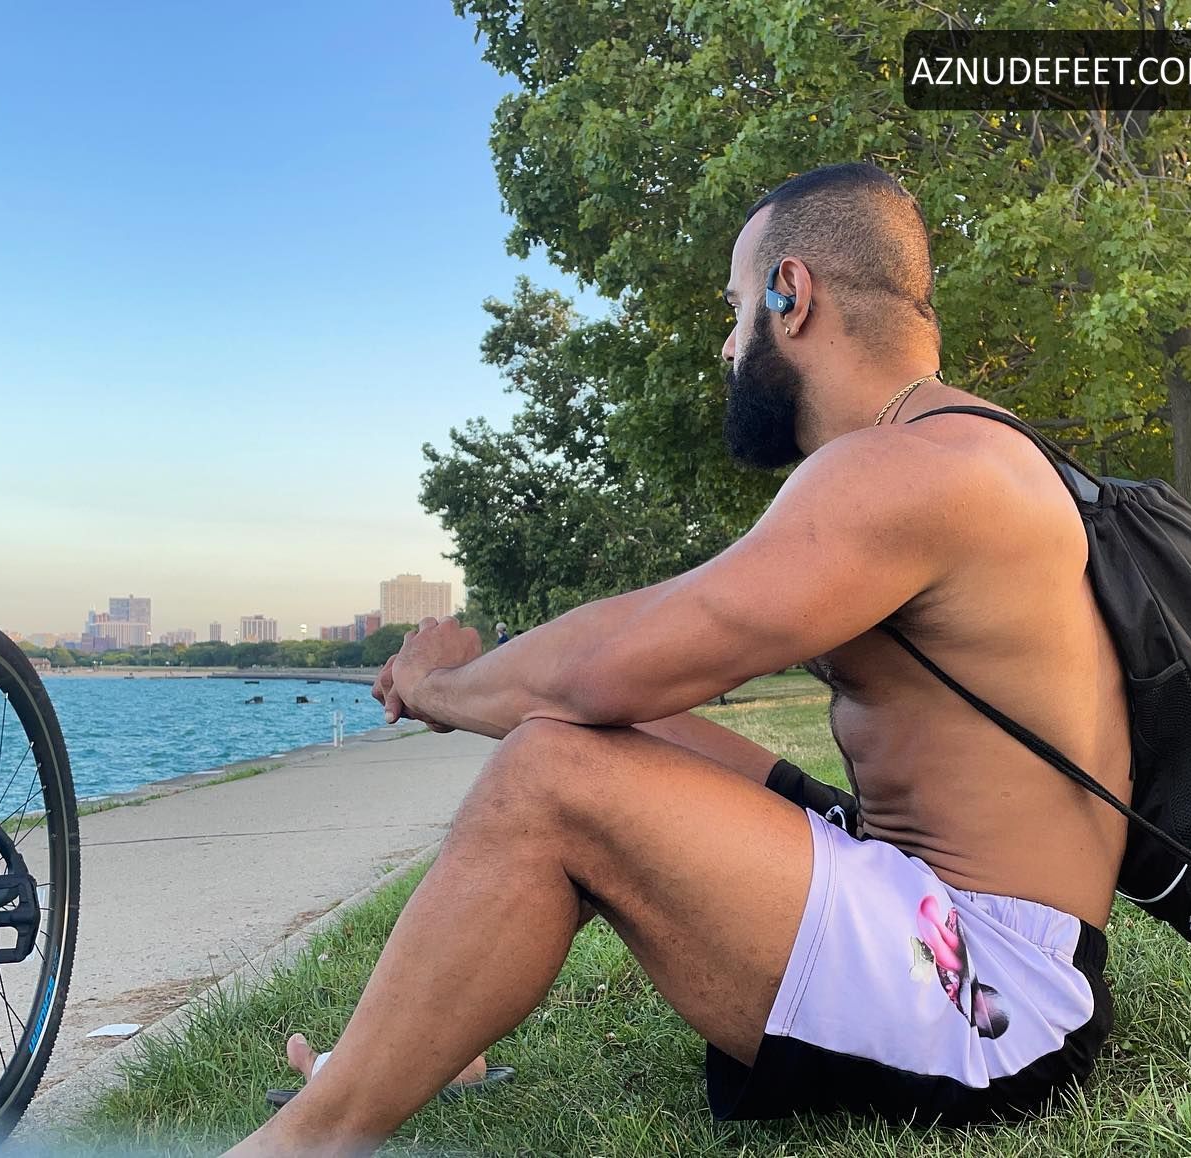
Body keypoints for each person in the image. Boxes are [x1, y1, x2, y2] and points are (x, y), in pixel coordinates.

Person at [227, 162, 1126, 1156]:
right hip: (931, 896)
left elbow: (609, 663)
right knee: (629, 733)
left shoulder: (908, 472)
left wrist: (435, 683)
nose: (728, 344)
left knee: (552, 772)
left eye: (737, 309)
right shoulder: (950, 444)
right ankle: (430, 1045)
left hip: (999, 997)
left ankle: (308, 1141)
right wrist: (470, 686)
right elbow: (629, 668)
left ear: (792, 293)